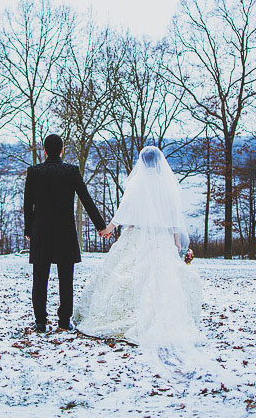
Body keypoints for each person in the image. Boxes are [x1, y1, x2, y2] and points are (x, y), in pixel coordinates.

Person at [74, 146, 203, 357]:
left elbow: (126, 208)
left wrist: (109, 228)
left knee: (125, 273)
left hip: (136, 235)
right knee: (163, 279)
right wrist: (176, 240)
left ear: (142, 162)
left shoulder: (137, 182)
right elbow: (172, 215)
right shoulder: (166, 184)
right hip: (161, 238)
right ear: (159, 162)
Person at [23, 134, 107, 333]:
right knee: (66, 278)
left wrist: (29, 230)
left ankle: (40, 321)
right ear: (62, 150)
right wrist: (100, 226)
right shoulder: (70, 171)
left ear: (45, 151)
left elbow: (28, 205)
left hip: (41, 231)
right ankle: (63, 321)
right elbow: (86, 199)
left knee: (40, 277)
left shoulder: (34, 172)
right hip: (64, 231)